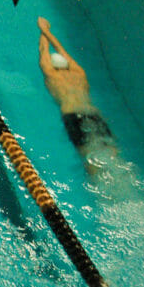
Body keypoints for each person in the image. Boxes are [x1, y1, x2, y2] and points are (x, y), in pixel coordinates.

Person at [37, 16, 119, 177]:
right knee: (112, 154)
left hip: (72, 115)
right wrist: (48, 30)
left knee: (89, 159)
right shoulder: (79, 72)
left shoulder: (51, 75)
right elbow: (61, 50)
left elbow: (43, 51)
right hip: (94, 114)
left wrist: (42, 31)